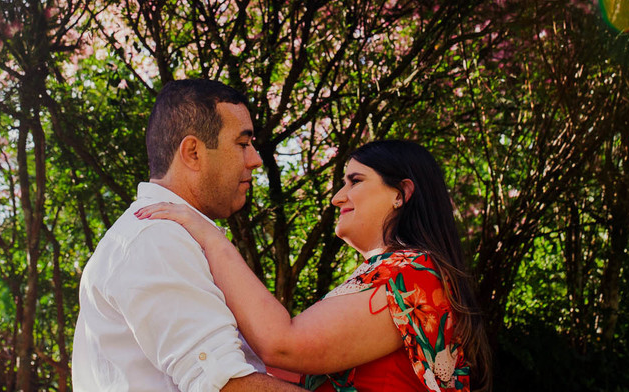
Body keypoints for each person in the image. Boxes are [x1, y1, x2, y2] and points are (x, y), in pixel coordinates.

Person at [137, 139, 491, 392]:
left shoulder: (410, 275)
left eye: (355, 181)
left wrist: (211, 237)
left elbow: (281, 343)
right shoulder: (397, 274)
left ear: (401, 193)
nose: (338, 197)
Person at [71, 78, 301, 392]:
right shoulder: (155, 240)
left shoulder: (170, 236)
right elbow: (225, 385)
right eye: (243, 143)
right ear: (193, 152)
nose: (256, 159)